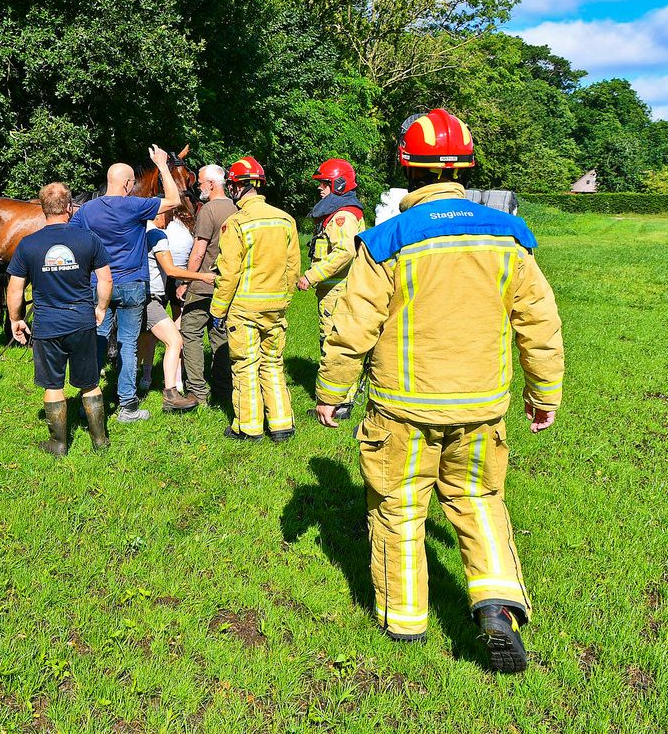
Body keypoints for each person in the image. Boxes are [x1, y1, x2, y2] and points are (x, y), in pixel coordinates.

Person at [314, 108, 564, 674]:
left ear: (406, 168)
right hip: (482, 405)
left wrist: (331, 389)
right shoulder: (510, 237)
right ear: (466, 166)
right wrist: (543, 392)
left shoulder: (385, 241)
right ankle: (497, 605)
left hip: (403, 409)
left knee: (399, 507)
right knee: (478, 501)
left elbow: (355, 324)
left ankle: (404, 620)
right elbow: (540, 323)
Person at [70, 145, 182, 422]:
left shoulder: (87, 211)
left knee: (97, 339)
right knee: (128, 344)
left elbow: (71, 239)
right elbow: (174, 199)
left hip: (100, 286)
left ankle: (90, 399)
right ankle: (128, 407)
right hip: (132, 285)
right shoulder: (135, 205)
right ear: (128, 184)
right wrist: (163, 165)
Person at [7, 183, 113, 456]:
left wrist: (15, 319)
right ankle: (100, 441)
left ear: (42, 210)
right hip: (82, 320)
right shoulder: (88, 239)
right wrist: (101, 308)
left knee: (53, 385)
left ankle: (58, 444)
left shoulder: (28, 244)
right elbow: (106, 279)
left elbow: (15, 289)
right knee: (90, 383)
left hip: (47, 324)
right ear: (69, 207)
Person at [209, 157, 301, 441]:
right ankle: (282, 424)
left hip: (244, 309)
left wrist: (218, 310)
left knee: (246, 366)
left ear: (236, 188)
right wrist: (284, 299)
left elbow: (229, 273)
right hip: (276, 308)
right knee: (273, 362)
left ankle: (248, 428)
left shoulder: (236, 223)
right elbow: (293, 267)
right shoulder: (285, 219)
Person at [297, 158, 366, 420]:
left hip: (337, 289)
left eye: (324, 184)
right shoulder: (342, 212)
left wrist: (312, 276)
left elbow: (344, 251)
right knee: (335, 340)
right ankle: (339, 400)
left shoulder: (342, 216)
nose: (320, 189)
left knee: (333, 342)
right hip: (335, 288)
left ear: (338, 184)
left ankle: (337, 404)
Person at [136, 209, 214, 409]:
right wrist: (201, 277)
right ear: (157, 214)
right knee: (175, 340)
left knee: (135, 342)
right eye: (167, 215)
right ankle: (171, 393)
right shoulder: (156, 235)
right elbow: (171, 269)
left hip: (132, 294)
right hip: (149, 297)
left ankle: (129, 389)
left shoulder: (133, 231)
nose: (169, 220)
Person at [180, 164, 237, 406]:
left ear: (212, 184)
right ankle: (224, 389)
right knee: (221, 335)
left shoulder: (208, 210)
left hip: (203, 284)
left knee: (191, 333)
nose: (197, 187)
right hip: (228, 285)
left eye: (200, 182)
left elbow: (199, 251)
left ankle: (197, 392)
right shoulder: (238, 209)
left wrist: (186, 280)